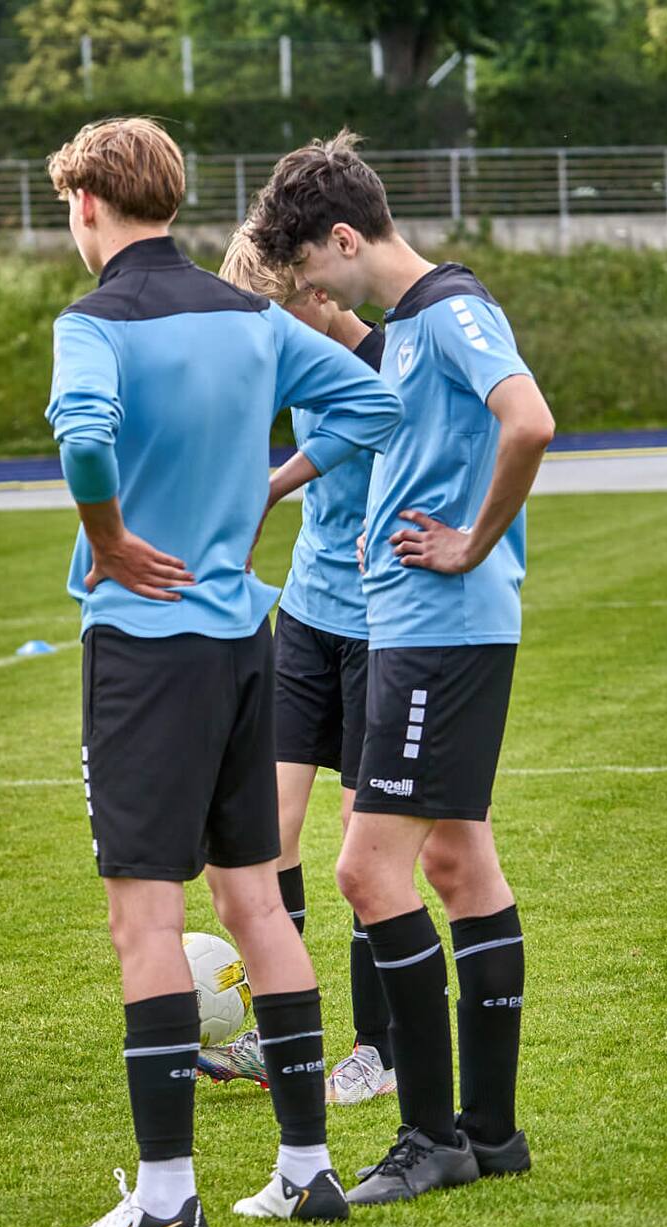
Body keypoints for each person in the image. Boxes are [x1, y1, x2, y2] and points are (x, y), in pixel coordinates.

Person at [38, 119, 401, 1227]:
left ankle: (164, 1197)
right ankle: (305, 1171)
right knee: (254, 898)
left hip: (146, 649)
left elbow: (84, 441)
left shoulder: (93, 322)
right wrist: (263, 490)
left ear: (89, 206)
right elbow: (375, 408)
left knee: (143, 915)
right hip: (248, 635)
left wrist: (110, 537)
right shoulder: (251, 318)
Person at [249, 130, 555, 1205]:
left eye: (310, 275)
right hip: (423, 623)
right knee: (459, 867)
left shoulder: (451, 310)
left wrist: (470, 538)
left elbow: (530, 420)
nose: (311, 299)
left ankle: (430, 1136)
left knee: (365, 872)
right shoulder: (408, 327)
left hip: (443, 626)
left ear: (344, 238)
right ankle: (493, 1133)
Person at [194, 227, 397, 1108]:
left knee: (365, 850)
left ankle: (377, 1051)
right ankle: (286, 1037)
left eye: (279, 313)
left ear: (320, 295)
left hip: (384, 624)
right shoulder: (294, 357)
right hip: (307, 613)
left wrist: (285, 484)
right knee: (260, 830)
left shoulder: (392, 359)